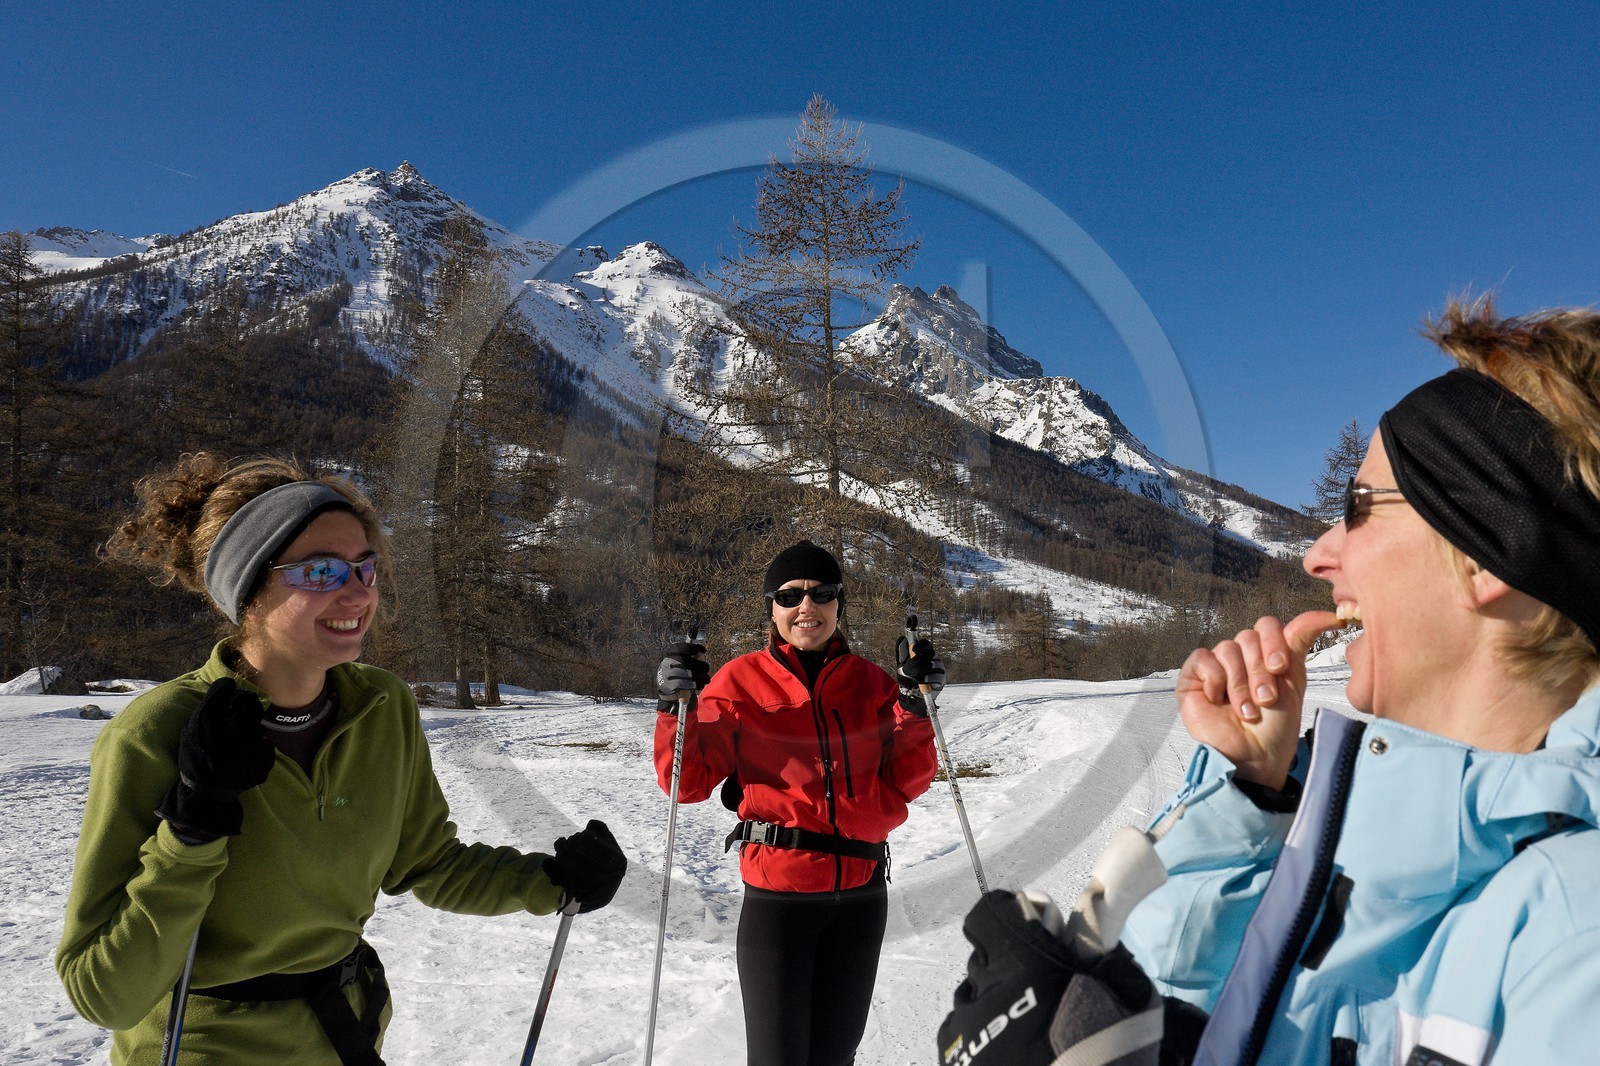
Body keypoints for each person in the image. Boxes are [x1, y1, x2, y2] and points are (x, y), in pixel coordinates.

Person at [939, 297, 1600, 1065]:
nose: (1316, 555)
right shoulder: (1406, 848)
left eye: (1358, 507)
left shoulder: (1574, 935)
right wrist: (1252, 793)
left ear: (1489, 551)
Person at [56, 453, 628, 1065]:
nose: (358, 591)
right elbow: (104, 994)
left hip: (341, 1037)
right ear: (249, 591)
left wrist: (552, 882)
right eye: (322, 572)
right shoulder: (158, 733)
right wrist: (191, 831)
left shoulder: (381, 707)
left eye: (365, 567)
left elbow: (428, 863)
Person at [654, 540, 942, 1066]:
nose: (805, 607)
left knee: (836, 1057)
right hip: (778, 903)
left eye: (821, 594)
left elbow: (907, 781)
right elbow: (686, 784)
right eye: (789, 596)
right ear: (772, 608)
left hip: (861, 897)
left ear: (838, 604)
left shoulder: (872, 682)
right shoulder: (737, 681)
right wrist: (677, 709)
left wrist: (913, 709)